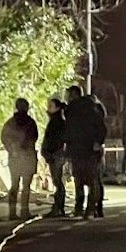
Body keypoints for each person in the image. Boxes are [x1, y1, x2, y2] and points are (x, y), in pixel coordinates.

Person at [64, 84, 107, 218]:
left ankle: (80, 208)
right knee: (93, 179)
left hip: (78, 148)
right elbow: (102, 127)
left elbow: (68, 130)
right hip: (91, 148)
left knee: (79, 179)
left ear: (73, 95)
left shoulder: (71, 109)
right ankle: (93, 208)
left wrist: (67, 148)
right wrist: (98, 143)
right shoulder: (95, 106)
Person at [0, 97, 40, 219]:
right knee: (26, 186)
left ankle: (12, 212)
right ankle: (24, 211)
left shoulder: (10, 123)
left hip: (15, 157)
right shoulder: (30, 122)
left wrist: (12, 150)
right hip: (27, 157)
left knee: (14, 185)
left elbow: (4, 138)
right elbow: (34, 137)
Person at [40, 97, 70, 217]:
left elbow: (54, 139)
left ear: (57, 108)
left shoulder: (57, 122)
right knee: (57, 181)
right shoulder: (56, 121)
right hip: (55, 154)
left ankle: (58, 207)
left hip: (56, 154)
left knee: (58, 181)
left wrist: (49, 152)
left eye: (51, 106)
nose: (48, 108)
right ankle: (58, 207)